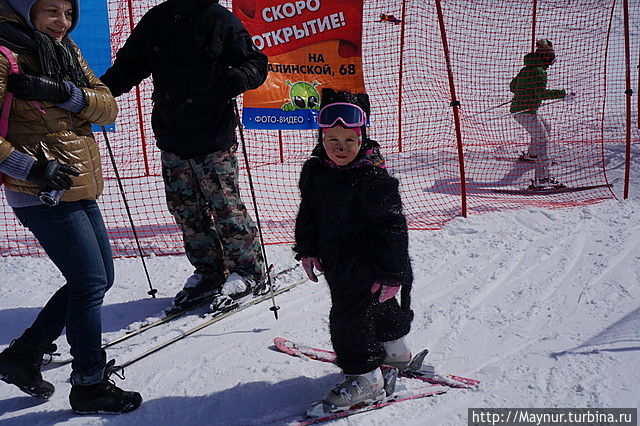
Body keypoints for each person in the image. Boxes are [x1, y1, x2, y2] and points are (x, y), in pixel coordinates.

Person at [0, 0, 142, 414]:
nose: (63, 23)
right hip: (39, 188)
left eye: (68, 13)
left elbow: (107, 104)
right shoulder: (4, 53)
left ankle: (24, 355)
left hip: (77, 181)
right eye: (51, 12)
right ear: (26, 10)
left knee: (98, 279)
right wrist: (30, 167)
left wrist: (64, 92)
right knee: (89, 282)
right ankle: (89, 384)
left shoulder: (64, 49)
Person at [99, 0, 269, 309]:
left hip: (214, 134)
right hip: (172, 134)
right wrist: (100, 94)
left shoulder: (220, 20)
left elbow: (256, 63)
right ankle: (209, 271)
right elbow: (129, 66)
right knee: (186, 210)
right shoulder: (157, 19)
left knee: (225, 208)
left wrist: (238, 78)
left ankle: (248, 270)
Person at [293, 88, 415, 412]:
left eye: (349, 141)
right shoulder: (317, 172)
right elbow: (309, 214)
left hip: (374, 264)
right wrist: (307, 248)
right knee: (375, 310)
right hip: (339, 262)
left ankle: (367, 379)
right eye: (333, 141)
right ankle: (394, 351)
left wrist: (393, 273)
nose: (341, 148)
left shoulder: (373, 178)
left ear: (362, 138)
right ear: (322, 138)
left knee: (350, 320)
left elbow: (393, 229)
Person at [510, 39, 574, 190]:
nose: (552, 61)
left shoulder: (526, 69)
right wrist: (563, 94)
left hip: (522, 110)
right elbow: (541, 94)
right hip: (525, 112)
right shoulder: (540, 71)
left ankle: (532, 156)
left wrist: (524, 91)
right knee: (543, 140)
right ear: (546, 58)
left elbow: (513, 86)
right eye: (551, 58)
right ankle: (542, 178)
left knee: (546, 126)